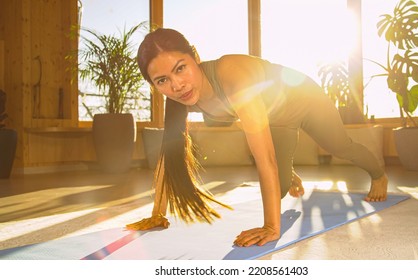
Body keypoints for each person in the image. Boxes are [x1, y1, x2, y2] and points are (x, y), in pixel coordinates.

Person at [126, 28, 388, 247]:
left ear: (195, 56)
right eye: (162, 80)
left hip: (305, 99)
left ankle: (378, 174)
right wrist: (157, 214)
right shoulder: (179, 101)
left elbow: (265, 157)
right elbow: (169, 159)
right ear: (154, 85)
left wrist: (272, 226)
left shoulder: (232, 73)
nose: (177, 85)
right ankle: (291, 173)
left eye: (181, 68)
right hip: (276, 120)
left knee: (339, 145)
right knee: (281, 186)